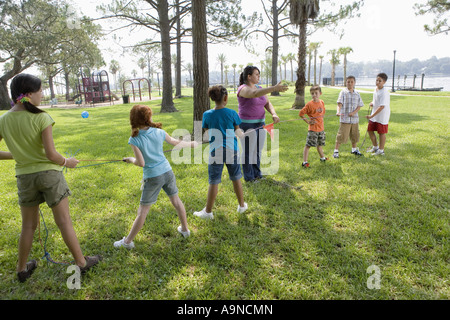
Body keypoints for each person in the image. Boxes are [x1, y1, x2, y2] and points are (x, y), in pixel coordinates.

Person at [0, 73, 101, 283]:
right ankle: (81, 263)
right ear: (28, 94)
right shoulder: (42, 117)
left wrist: (20, 155)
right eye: (40, 91)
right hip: (49, 175)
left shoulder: (4, 120)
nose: (42, 94)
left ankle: (21, 269)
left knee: (28, 226)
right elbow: (51, 155)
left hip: (25, 178)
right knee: (64, 221)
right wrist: (67, 161)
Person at [114, 104, 197, 249]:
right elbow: (175, 142)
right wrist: (191, 144)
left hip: (153, 177)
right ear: (148, 117)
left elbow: (141, 163)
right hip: (167, 172)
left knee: (143, 211)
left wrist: (130, 160)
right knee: (176, 201)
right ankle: (185, 230)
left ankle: (127, 242)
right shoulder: (159, 132)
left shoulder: (134, 139)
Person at [193, 85, 247, 220]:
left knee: (214, 181)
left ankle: (208, 212)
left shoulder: (206, 114)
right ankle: (241, 206)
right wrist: (241, 135)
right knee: (236, 178)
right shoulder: (232, 113)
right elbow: (238, 131)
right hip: (232, 150)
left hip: (215, 151)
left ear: (212, 99)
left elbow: (207, 132)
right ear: (226, 98)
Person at [237, 65, 288, 182]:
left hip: (261, 123)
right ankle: (249, 177)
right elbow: (254, 94)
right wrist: (274, 88)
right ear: (249, 76)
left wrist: (274, 114)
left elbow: (267, 103)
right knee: (248, 152)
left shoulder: (259, 87)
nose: (259, 76)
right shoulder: (243, 89)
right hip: (247, 125)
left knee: (257, 151)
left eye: (259, 74)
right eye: (256, 74)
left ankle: (257, 174)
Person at [333, 76, 365, 158]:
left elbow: (359, 106)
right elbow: (339, 103)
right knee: (341, 135)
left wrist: (353, 113)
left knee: (354, 135)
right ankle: (336, 151)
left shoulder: (357, 94)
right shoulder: (343, 92)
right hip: (345, 119)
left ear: (354, 83)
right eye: (348, 82)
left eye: (351, 82)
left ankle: (354, 149)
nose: (350, 83)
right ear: (346, 83)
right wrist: (338, 111)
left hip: (354, 119)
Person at [299, 85, 328, 168]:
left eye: (316, 93)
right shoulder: (309, 104)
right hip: (313, 129)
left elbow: (322, 113)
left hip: (321, 129)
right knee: (308, 145)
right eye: (312, 93)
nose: (314, 95)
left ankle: (322, 158)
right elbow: (301, 114)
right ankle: (305, 162)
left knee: (320, 144)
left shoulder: (322, 102)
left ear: (320, 93)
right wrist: (308, 121)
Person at [366, 73, 390, 156]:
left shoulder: (384, 92)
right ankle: (375, 147)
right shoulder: (375, 89)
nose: (378, 82)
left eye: (380, 81)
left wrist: (372, 116)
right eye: (377, 80)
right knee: (370, 130)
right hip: (374, 114)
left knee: (381, 133)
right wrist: (372, 103)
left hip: (382, 115)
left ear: (384, 82)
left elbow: (382, 106)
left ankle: (381, 150)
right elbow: (376, 100)